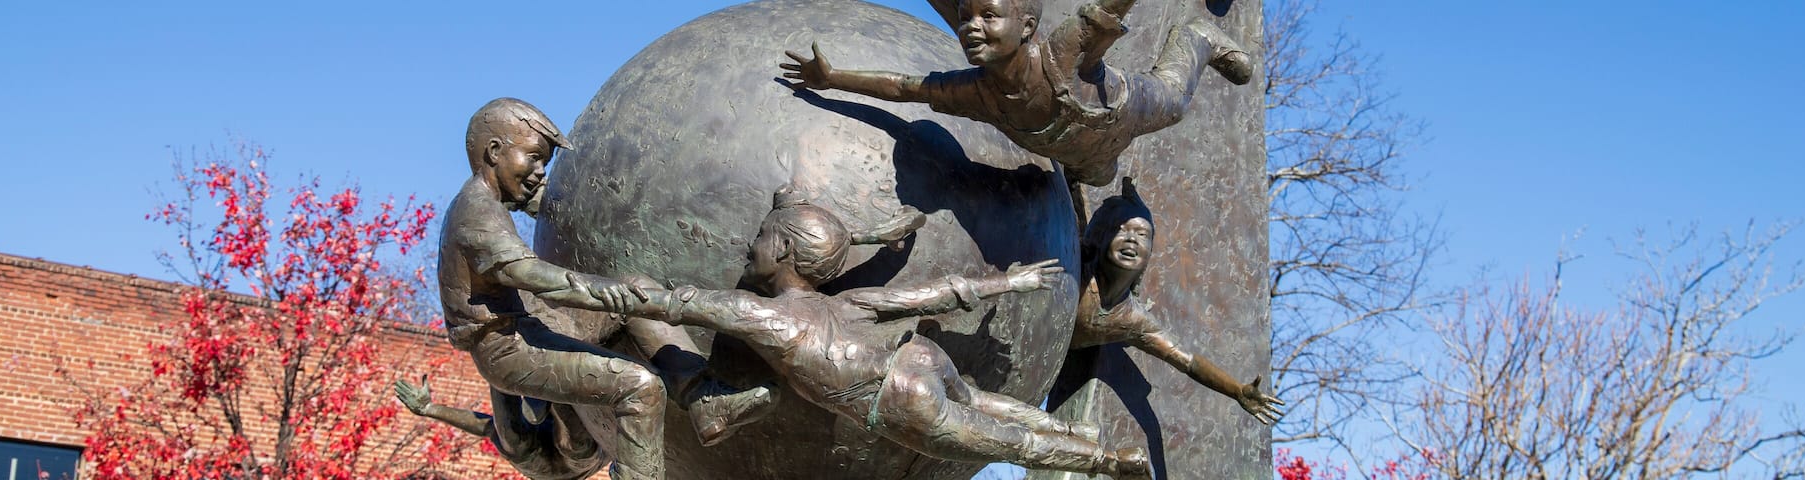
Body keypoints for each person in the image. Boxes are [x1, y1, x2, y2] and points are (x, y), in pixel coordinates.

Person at [540, 187, 1153, 479]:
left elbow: (674, 303)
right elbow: (932, 295)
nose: (749, 246)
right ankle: (1076, 432)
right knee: (993, 405)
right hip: (918, 357)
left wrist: (571, 288)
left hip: (898, 400)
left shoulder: (768, 317)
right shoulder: (849, 300)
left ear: (784, 251)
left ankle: (1108, 460)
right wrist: (1010, 283)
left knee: (1005, 441)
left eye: (761, 238)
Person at [439, 98, 773, 479]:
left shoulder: (489, 205)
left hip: (540, 328)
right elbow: (532, 275)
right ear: (495, 151)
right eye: (532, 158)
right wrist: (598, 290)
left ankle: (702, 397)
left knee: (635, 291)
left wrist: (550, 205)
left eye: (543, 163)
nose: (539, 172)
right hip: (510, 349)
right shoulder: (476, 213)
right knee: (640, 388)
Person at [780, 0, 1254, 188]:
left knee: (1176, 104)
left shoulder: (1062, 51)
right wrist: (832, 77)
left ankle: (1197, 38)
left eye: (988, 16)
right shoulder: (973, 92)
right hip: (1087, 155)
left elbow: (1110, 5)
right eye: (965, 18)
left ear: (1026, 26)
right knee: (1098, 178)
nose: (971, 27)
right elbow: (903, 88)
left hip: (1127, 111)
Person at [1070, 179, 1283, 425]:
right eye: (1122, 230)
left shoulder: (1132, 319)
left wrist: (1236, 390)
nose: (1132, 239)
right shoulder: (1074, 273)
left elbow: (1188, 361)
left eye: (1142, 234)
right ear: (1101, 236)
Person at [395, 377, 609, 480]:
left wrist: (430, 408)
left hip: (542, 463)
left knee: (513, 440)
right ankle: (553, 393)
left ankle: (499, 366)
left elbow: (488, 427)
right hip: (580, 457)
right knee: (578, 449)